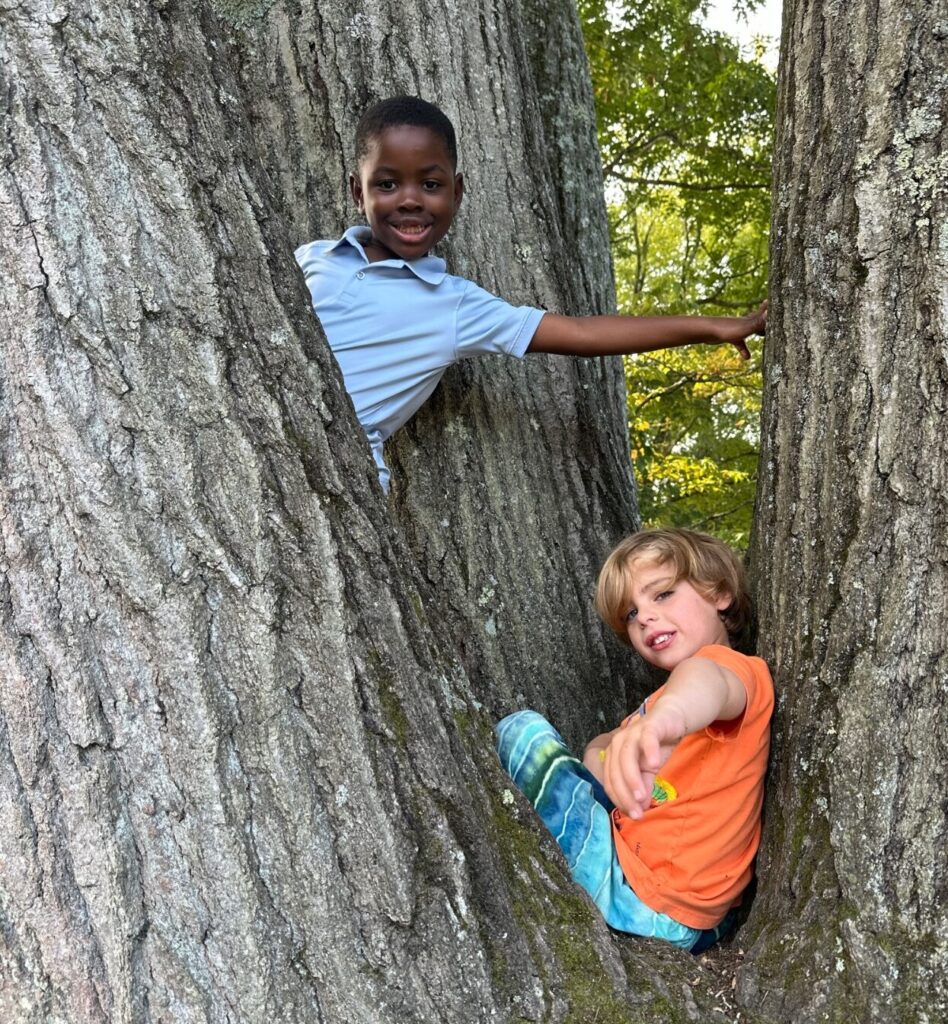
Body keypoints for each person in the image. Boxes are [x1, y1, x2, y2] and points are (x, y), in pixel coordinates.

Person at [295, 96, 767, 491]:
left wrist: (715, 327)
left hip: (339, 480)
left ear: (457, 192)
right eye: (388, 183)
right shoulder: (311, 258)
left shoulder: (455, 305)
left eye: (431, 184)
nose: (411, 198)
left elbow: (582, 334)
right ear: (359, 192)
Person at [496, 528, 773, 952]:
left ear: (719, 593)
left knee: (521, 732)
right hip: (694, 919)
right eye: (631, 613)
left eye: (662, 595)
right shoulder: (654, 706)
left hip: (648, 898)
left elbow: (706, 684)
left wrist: (664, 721)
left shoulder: (728, 669)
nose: (644, 617)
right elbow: (605, 750)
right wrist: (605, 746)